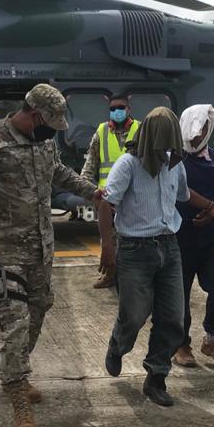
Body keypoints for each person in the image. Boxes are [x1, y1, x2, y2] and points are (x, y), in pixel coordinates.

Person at [0, 84, 102, 427]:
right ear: (35, 115)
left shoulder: (43, 142)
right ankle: (19, 400)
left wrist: (91, 191)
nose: (54, 129)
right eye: (50, 122)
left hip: (40, 250)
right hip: (3, 251)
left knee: (38, 310)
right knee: (14, 321)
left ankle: (15, 370)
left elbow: (59, 173)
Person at [97, 107, 214, 407]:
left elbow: (185, 195)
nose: (167, 153)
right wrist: (107, 248)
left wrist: (212, 207)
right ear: (148, 140)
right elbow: (106, 204)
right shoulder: (127, 165)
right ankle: (118, 345)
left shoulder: (175, 164)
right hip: (134, 250)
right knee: (135, 314)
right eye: (162, 146)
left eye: (171, 146)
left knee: (173, 319)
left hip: (170, 248)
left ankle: (156, 377)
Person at [172, 104, 214, 368]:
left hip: (209, 238)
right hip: (178, 238)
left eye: (202, 132)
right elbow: (181, 190)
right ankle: (181, 343)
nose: (196, 137)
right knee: (179, 294)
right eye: (193, 132)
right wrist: (211, 207)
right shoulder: (173, 160)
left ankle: (212, 338)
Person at [82, 94, 141, 289]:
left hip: (134, 197)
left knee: (134, 239)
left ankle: (134, 276)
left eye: (121, 107)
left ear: (128, 109)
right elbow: (90, 164)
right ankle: (110, 275)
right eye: (113, 108)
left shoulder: (140, 130)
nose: (117, 111)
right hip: (107, 198)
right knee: (108, 239)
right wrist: (90, 191)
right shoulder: (101, 132)